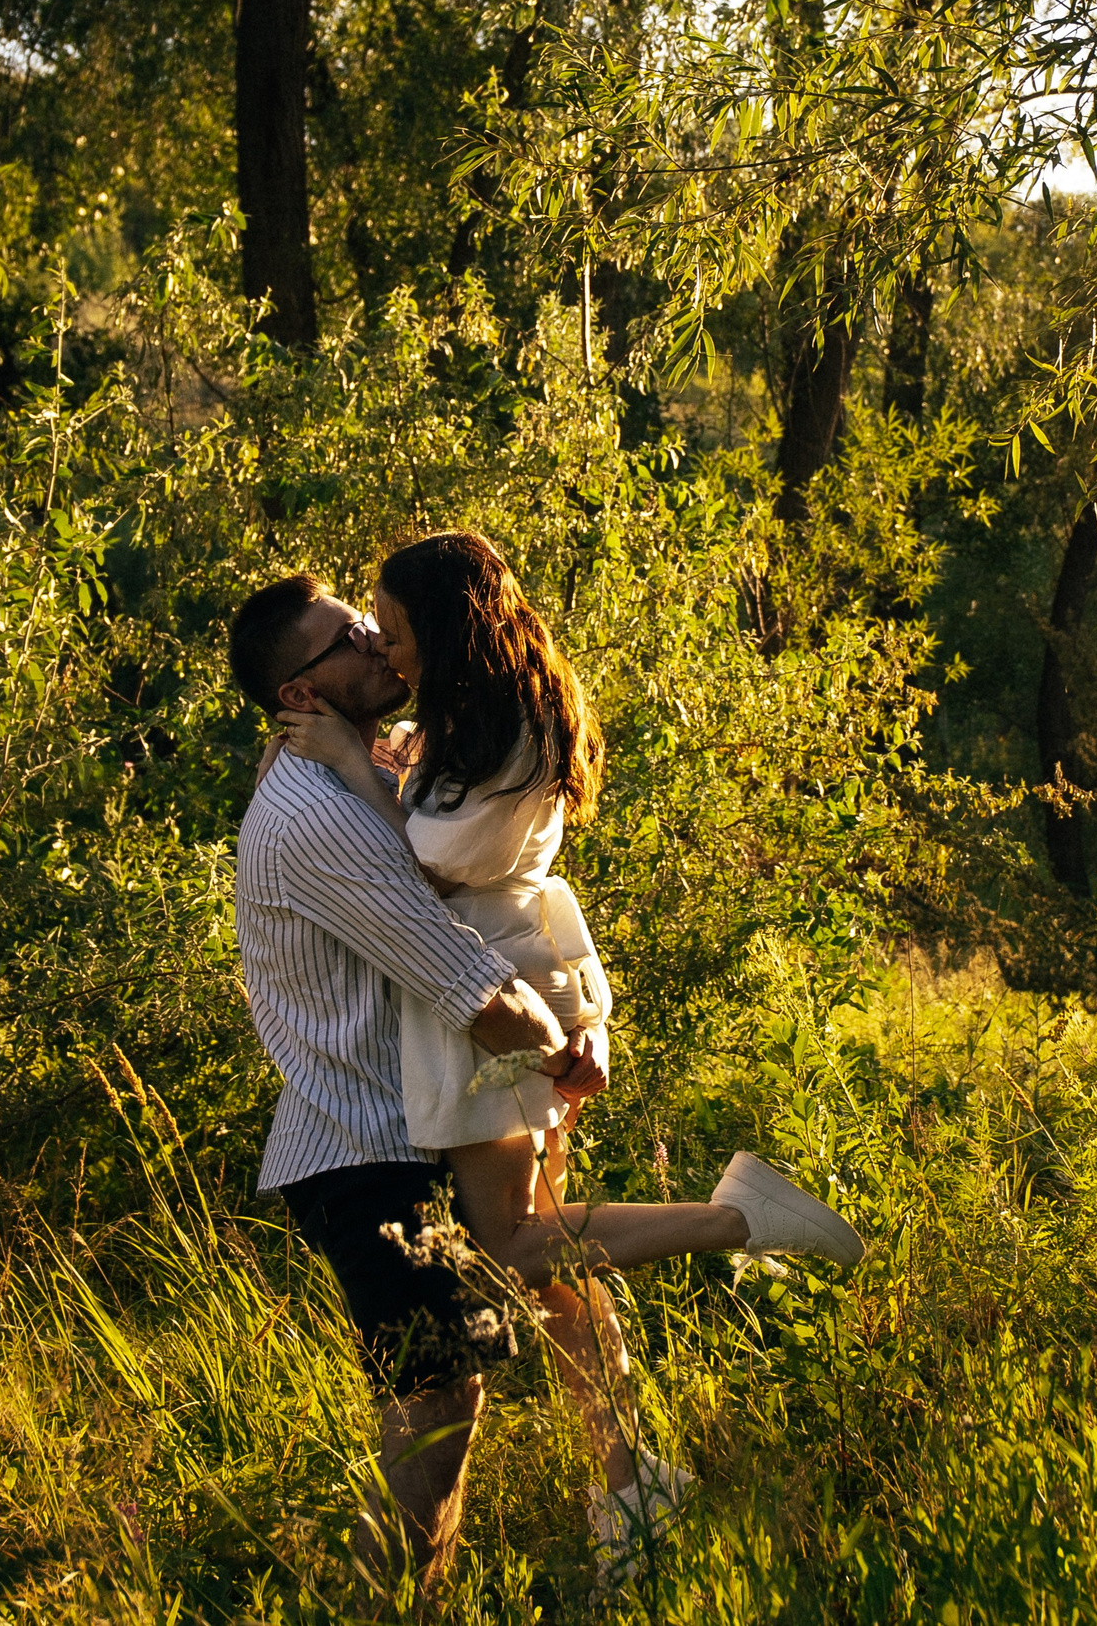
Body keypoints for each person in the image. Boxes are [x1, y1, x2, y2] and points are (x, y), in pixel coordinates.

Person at [252, 536, 864, 1581]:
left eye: (387, 629)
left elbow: (431, 893)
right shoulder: (478, 723)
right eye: (361, 636)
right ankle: (629, 1492)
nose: (381, 648)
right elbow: (496, 883)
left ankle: (740, 1218)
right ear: (300, 686)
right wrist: (583, 1010)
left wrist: (562, 1030)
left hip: (482, 1016)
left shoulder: (435, 747)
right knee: (554, 1271)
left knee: (527, 1248)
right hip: (470, 1024)